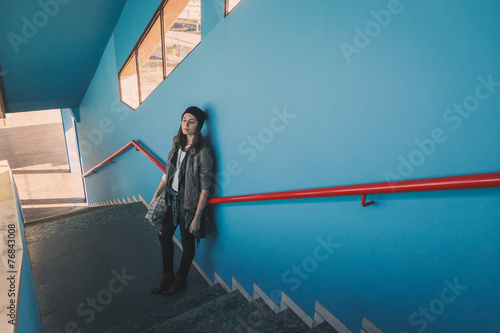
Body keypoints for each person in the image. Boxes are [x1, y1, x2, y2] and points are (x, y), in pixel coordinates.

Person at [150, 106, 213, 295]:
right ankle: (167, 275)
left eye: (191, 121)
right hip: (171, 199)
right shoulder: (176, 141)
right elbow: (169, 171)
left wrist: (196, 217)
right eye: (184, 119)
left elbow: (204, 188)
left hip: (189, 204)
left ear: (199, 125)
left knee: (187, 241)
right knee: (164, 236)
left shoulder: (203, 151)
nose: (186, 124)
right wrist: (156, 194)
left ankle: (181, 278)